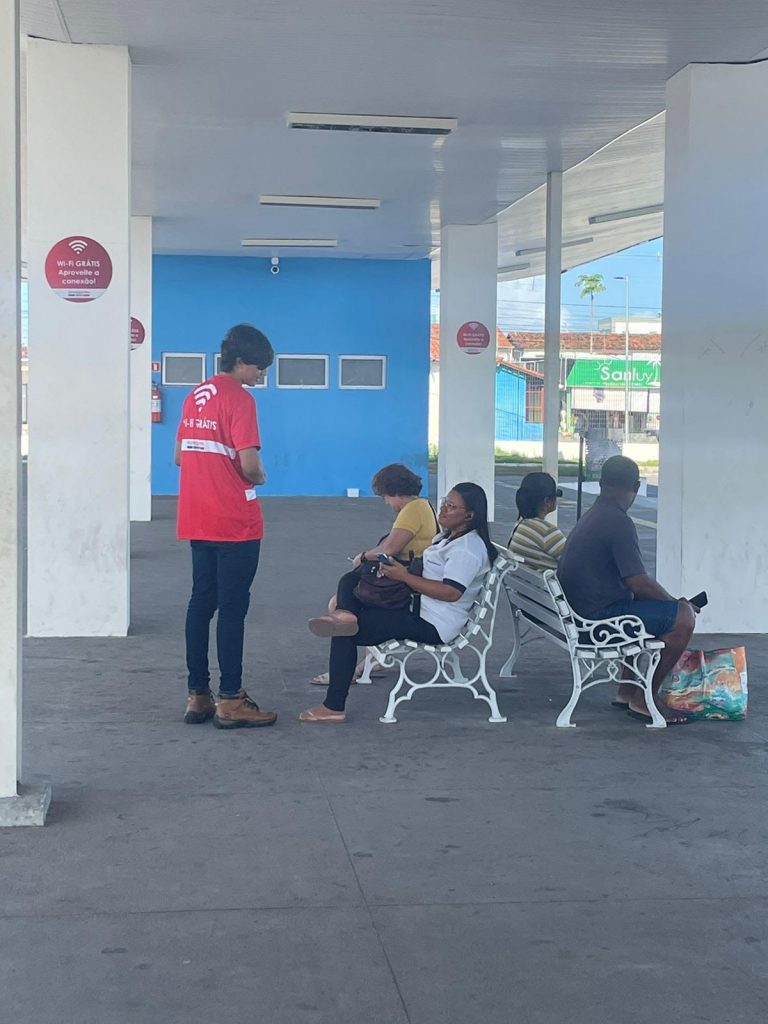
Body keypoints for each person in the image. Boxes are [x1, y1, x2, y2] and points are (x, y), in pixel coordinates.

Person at [300, 482, 497, 723]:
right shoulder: (450, 538)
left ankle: (334, 707)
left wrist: (404, 577)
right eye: (444, 502)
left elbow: (451, 592)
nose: (443, 509)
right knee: (352, 579)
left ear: (469, 515)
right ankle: (345, 613)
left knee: (344, 633)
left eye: (451, 506)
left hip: (433, 623)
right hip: (418, 607)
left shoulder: (466, 549)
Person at [175, 323, 277, 729]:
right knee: (233, 610)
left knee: (201, 603)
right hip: (234, 521)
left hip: (197, 516)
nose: (261, 375)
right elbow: (250, 465)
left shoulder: (195, 396)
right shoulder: (240, 399)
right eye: (259, 367)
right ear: (241, 362)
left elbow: (180, 457)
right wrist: (260, 476)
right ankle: (231, 699)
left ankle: (198, 695)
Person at [557, 455, 697, 725]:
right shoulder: (618, 522)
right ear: (636, 486)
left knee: (638, 604)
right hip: (595, 623)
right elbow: (638, 582)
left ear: (601, 484)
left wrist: (668, 603)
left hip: (578, 616)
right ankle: (644, 698)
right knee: (683, 619)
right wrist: (678, 605)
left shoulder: (593, 515)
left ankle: (626, 689)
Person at [310, 463, 438, 686]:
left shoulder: (412, 510)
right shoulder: (423, 506)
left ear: (394, 491)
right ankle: (366, 662)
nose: (386, 503)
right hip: (410, 582)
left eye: (385, 497)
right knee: (342, 601)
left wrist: (362, 556)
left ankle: (345, 670)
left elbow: (389, 548)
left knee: (339, 604)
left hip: (404, 587)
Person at [507, 472, 566, 571]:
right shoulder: (546, 532)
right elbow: (576, 560)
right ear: (547, 501)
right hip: (548, 581)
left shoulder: (520, 524)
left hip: (527, 580)